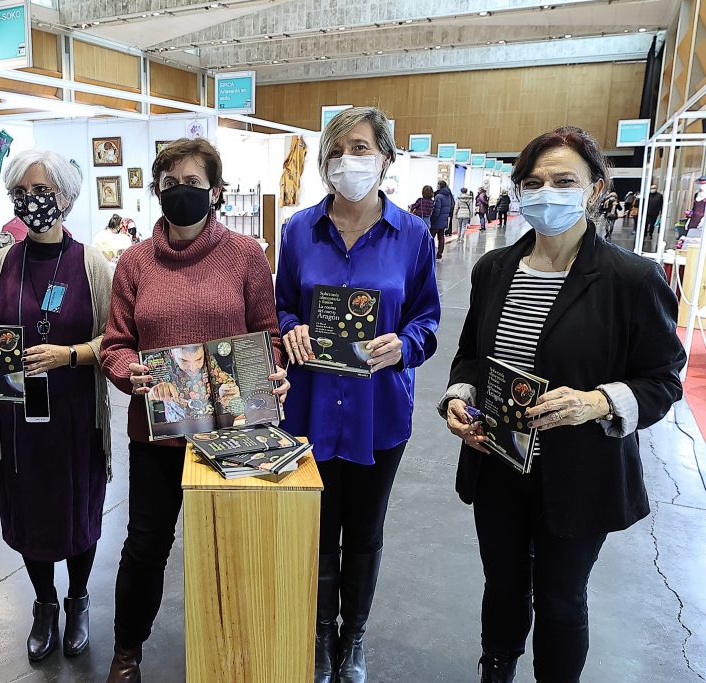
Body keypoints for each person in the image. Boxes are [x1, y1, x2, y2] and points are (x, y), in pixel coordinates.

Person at [439, 126, 685, 683]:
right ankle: (496, 668)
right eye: (534, 181)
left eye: (563, 180)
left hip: (580, 470)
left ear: (595, 189)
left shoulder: (631, 279)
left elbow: (663, 379)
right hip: (500, 460)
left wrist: (598, 402)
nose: (546, 191)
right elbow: (470, 358)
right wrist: (459, 399)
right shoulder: (493, 269)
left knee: (559, 598)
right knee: (502, 585)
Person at [99, 137, 290, 682]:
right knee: (144, 547)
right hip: (157, 434)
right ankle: (127, 650)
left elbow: (267, 336)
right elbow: (116, 342)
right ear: (157, 190)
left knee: (230, 546)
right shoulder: (134, 263)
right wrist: (126, 371)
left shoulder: (247, 256)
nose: (181, 193)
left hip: (232, 433)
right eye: (170, 184)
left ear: (216, 191)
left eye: (192, 184)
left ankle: (234, 651)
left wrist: (271, 372)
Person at [276, 106, 440, 683]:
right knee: (319, 533)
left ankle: (355, 639)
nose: (349, 159)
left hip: (379, 412)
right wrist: (290, 327)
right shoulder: (299, 231)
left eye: (362, 147)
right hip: (311, 408)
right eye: (338, 149)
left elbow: (427, 317)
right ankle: (322, 635)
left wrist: (406, 345)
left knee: (365, 533)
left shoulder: (413, 235)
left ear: (386, 158)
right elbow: (284, 305)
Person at [0, 149, 114, 662]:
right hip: (18, 422)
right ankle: (44, 604)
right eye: (22, 194)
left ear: (66, 198)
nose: (32, 203)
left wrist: (69, 355)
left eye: (43, 193)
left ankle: (78, 600)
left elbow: (115, 341)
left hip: (76, 417)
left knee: (78, 511)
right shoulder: (1, 264)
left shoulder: (91, 264)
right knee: (30, 513)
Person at [431, 179, 454, 259]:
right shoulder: (449, 196)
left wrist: (432, 219)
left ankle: (429, 252)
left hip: (437, 220)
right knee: (441, 237)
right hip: (444, 219)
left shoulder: (438, 196)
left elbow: (436, 210)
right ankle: (440, 253)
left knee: (430, 237)